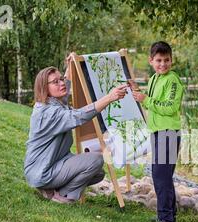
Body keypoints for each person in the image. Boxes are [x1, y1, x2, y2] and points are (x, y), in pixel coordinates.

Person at [24, 53, 128, 204]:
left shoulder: (54, 102)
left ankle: (53, 190)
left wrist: (69, 68)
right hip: (42, 170)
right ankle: (65, 196)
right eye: (55, 82)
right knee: (96, 160)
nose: (61, 83)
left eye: (61, 79)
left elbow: (64, 93)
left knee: (98, 174)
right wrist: (110, 97)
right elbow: (78, 116)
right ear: (44, 88)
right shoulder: (48, 113)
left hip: (55, 163)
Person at [131, 41, 184, 222]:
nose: (163, 64)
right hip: (157, 132)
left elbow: (170, 107)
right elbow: (152, 102)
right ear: (151, 61)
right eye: (159, 60)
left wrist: (146, 100)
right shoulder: (154, 79)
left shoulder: (173, 80)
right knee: (163, 176)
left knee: (160, 176)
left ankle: (166, 220)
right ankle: (170, 215)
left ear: (171, 60)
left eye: (167, 60)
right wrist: (139, 93)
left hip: (168, 133)